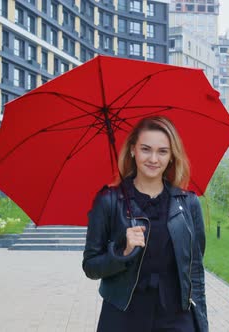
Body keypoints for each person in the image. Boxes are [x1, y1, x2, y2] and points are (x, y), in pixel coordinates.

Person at [82, 116, 208, 332]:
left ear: (171, 156)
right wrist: (122, 252)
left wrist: (202, 324)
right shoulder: (109, 201)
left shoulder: (188, 204)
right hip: (123, 316)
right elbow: (91, 266)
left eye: (162, 151)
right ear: (133, 150)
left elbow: (194, 270)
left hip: (176, 318)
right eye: (146, 149)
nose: (153, 159)